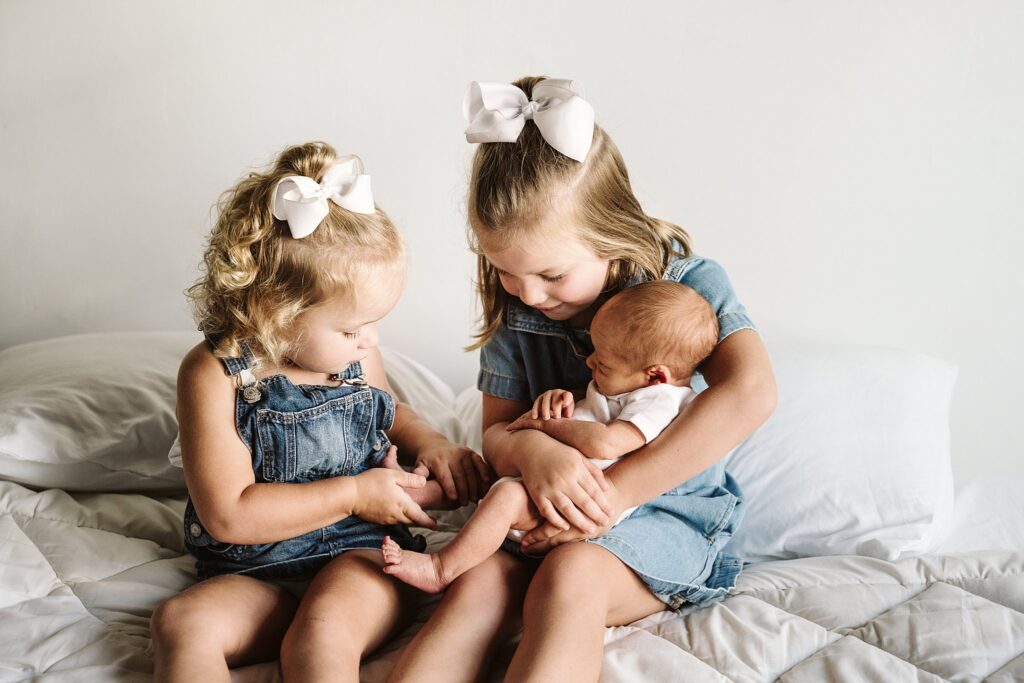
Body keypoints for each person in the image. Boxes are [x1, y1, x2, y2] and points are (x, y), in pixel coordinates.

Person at [387, 77, 776, 683]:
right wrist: (537, 454)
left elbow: (750, 394)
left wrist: (612, 497)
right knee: (476, 579)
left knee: (572, 574)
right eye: (506, 272)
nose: (529, 294)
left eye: (551, 274)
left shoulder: (685, 288)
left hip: (658, 519)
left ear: (611, 233)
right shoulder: (516, 307)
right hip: (534, 513)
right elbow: (496, 435)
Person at [148, 141, 488, 682]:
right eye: (353, 328)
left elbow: (388, 411)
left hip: (359, 556)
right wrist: (355, 492)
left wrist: (432, 444)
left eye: (375, 323)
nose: (370, 339)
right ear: (274, 312)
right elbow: (229, 515)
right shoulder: (215, 374)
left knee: (321, 633)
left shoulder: (356, 357)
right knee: (181, 621)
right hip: (254, 571)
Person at [380, 280, 717, 594]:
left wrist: (543, 427)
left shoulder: (664, 401)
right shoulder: (632, 385)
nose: (589, 361)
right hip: (549, 479)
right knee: (482, 476)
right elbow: (596, 407)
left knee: (506, 496)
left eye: (602, 364)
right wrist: (562, 399)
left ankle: (441, 569)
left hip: (569, 503)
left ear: (656, 376)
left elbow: (605, 442)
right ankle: (415, 495)